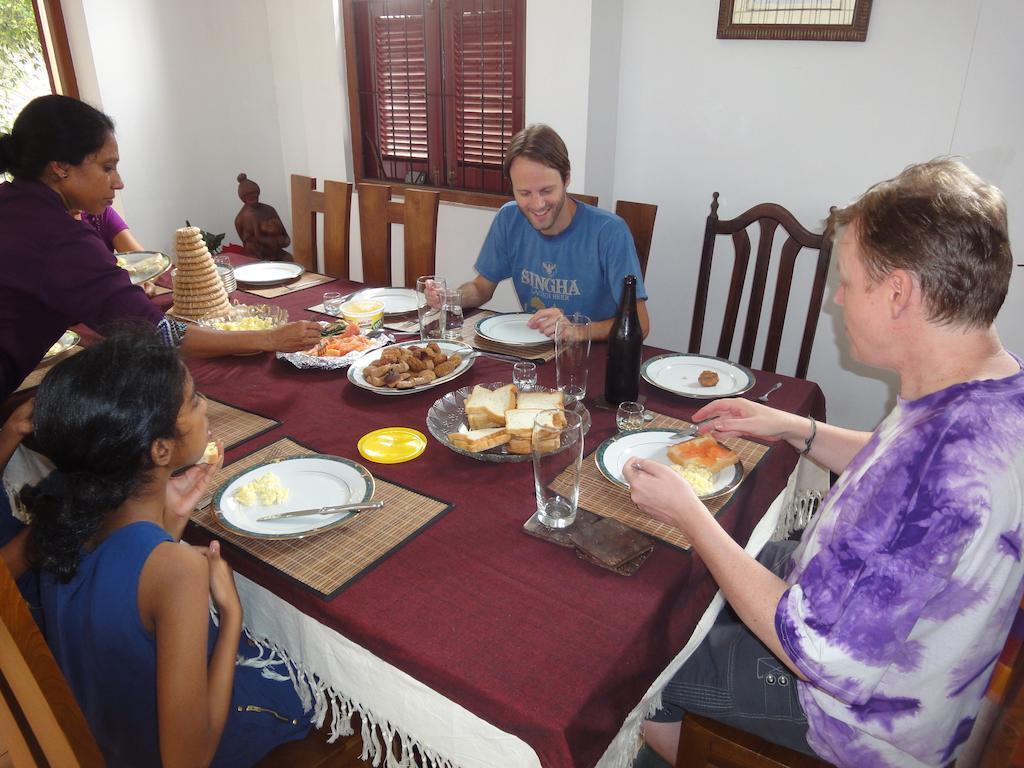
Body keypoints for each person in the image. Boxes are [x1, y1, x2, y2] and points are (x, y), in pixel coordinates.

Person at [624, 158, 1024, 768]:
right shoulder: (989, 386)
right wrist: (794, 427)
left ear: (898, 293)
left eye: (849, 282)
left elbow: (819, 653)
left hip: (851, 718)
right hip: (877, 641)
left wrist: (689, 514)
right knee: (688, 583)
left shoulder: (945, 463)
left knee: (636, 661)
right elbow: (896, 475)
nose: (838, 300)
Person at [22, 330, 311, 765]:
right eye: (193, 401)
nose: (205, 405)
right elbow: (187, 759)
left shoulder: (66, 513)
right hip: (165, 751)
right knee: (302, 677)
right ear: (160, 450)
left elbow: (123, 601)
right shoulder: (176, 570)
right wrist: (231, 615)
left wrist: (170, 522)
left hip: (106, 734)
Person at [0, 95, 321, 402]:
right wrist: (270, 338)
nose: (118, 182)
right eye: (107, 167)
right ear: (60, 167)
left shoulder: (13, 203)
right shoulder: (61, 239)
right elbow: (158, 333)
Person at [457, 124, 650, 341]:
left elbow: (640, 324)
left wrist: (576, 331)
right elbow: (482, 288)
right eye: (524, 193)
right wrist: (451, 298)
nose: (537, 204)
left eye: (546, 191)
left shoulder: (609, 232)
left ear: (566, 179)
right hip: (534, 349)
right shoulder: (509, 218)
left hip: (593, 352)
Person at [234, 172, 292, 261]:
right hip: (258, 259)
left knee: (289, 259)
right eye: (248, 195)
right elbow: (247, 247)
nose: (252, 196)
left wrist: (279, 241)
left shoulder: (270, 210)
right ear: (243, 198)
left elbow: (286, 239)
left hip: (277, 255)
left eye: (254, 193)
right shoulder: (240, 220)